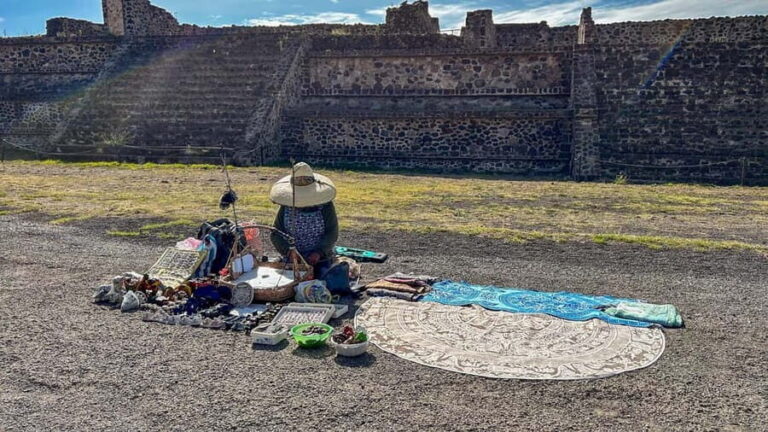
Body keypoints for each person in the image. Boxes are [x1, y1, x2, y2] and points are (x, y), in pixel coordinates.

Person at [269, 162, 338, 276]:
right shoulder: (286, 207)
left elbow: (332, 232)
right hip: (292, 257)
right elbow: (276, 233)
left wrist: (319, 252)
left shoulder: (326, 207)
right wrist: (288, 251)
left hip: (319, 257)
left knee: (323, 279)